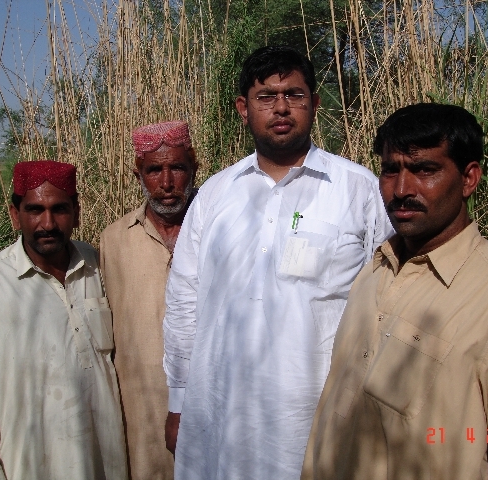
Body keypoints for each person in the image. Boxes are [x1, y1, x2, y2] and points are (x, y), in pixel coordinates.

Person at [301, 103, 488, 479]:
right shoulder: (374, 272)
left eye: (425, 170)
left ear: (469, 178)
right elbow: (333, 413)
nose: (401, 189)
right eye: (390, 170)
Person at [163, 45, 393, 480]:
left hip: (319, 413)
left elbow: (391, 300)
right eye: (266, 97)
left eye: (295, 95)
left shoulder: (358, 190)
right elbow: (184, 302)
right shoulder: (216, 194)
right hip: (220, 413)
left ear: (316, 104)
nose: (281, 108)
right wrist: (179, 399)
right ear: (243, 109)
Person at [0, 160, 127, 480]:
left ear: (76, 212)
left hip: (103, 461)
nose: (47, 223)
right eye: (35, 209)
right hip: (30, 464)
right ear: (14, 214)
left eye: (59, 209)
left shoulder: (94, 264)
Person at [100, 121, 197, 480]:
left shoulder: (219, 229)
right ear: (138, 174)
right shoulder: (114, 241)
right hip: (142, 414)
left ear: (194, 169)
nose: (167, 183)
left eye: (177, 168)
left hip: (209, 407)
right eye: (154, 170)